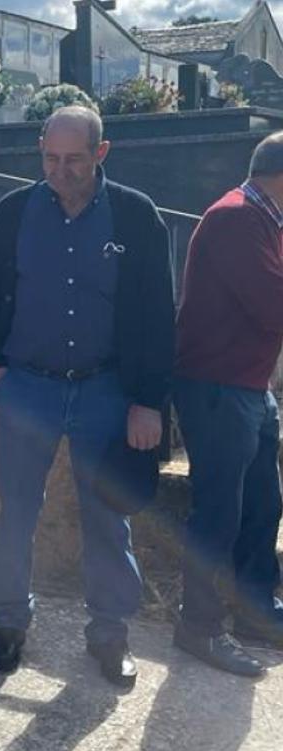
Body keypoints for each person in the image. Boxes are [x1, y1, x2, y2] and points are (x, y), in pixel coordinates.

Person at [0, 106, 174, 688]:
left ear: (101, 153)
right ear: (40, 150)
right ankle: (8, 622)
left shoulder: (136, 217)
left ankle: (110, 636)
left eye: (75, 161)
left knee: (109, 519)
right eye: (50, 159)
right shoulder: (14, 212)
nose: (61, 171)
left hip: (105, 391)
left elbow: (159, 314)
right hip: (26, 387)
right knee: (16, 512)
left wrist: (148, 401)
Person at [171, 131, 283, 678]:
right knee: (220, 512)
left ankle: (258, 613)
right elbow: (272, 305)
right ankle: (200, 625)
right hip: (217, 387)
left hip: (249, 387)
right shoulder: (237, 217)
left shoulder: (264, 220)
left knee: (264, 503)